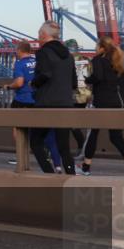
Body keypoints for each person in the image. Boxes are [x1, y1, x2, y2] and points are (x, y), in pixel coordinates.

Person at [79, 37, 124, 177]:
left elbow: (98, 77)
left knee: (93, 134)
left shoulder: (98, 60)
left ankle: (86, 167)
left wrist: (87, 80)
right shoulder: (118, 63)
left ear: (101, 47)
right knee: (115, 136)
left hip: (102, 104)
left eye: (97, 46)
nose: (96, 49)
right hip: (120, 104)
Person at [30, 21, 77, 175]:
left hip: (46, 103)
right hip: (66, 103)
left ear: (44, 35)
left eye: (39, 34)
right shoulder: (68, 55)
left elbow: (45, 74)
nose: (38, 37)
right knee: (64, 146)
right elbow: (74, 82)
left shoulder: (44, 52)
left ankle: (49, 175)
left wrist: (33, 83)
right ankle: (71, 176)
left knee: (36, 142)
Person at [4, 41, 37, 166]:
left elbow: (19, 83)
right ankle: (46, 153)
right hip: (37, 99)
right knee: (36, 128)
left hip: (22, 99)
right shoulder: (36, 62)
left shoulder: (19, 64)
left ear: (20, 50)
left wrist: (9, 86)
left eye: (16, 50)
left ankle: (21, 156)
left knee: (17, 129)